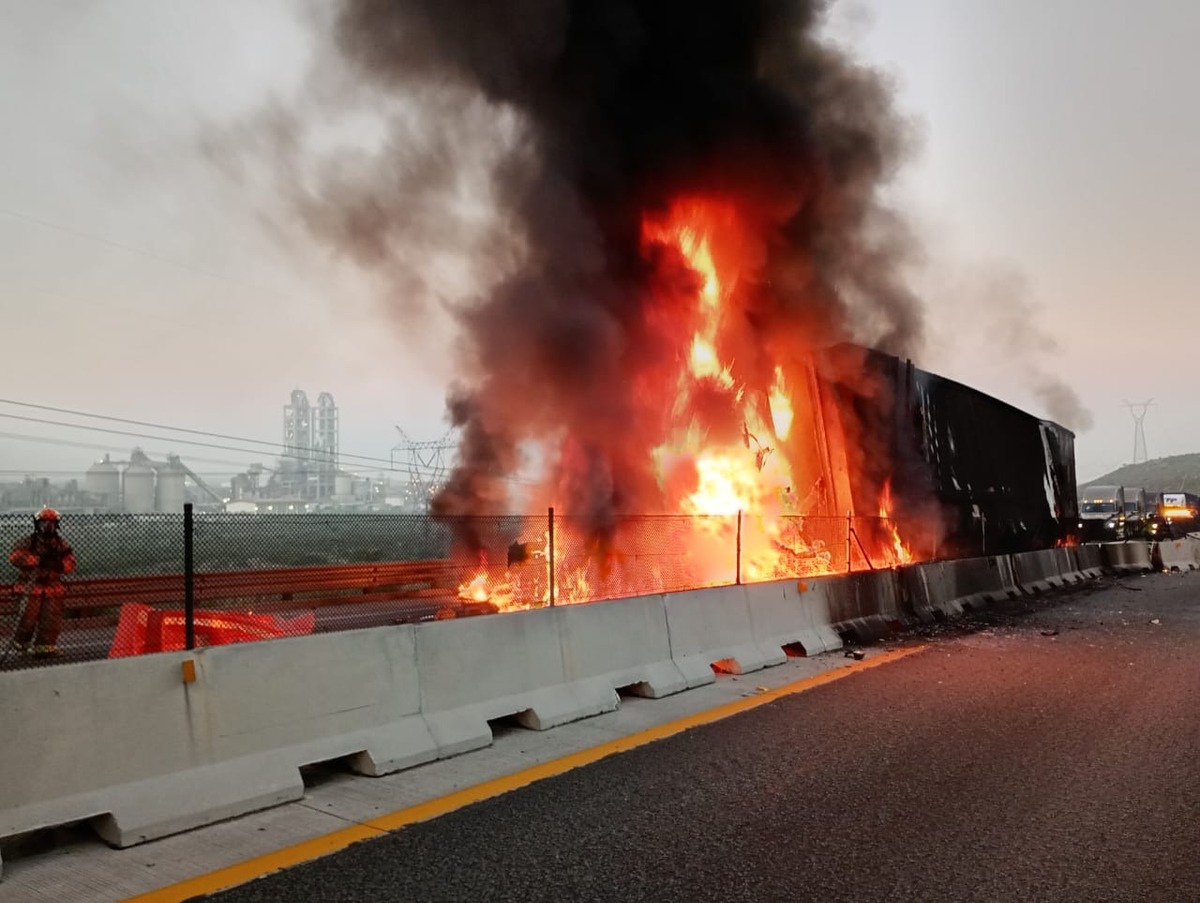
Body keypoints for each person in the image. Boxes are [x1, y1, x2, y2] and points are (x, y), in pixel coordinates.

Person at [9, 506, 76, 657]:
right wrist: (37, 560)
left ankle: (44, 649)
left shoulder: (61, 544)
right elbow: (15, 557)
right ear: (37, 524)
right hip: (31, 587)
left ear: (56, 525)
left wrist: (58, 564)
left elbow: (70, 562)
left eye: (51, 524)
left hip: (52, 588)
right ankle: (21, 647)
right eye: (44, 523)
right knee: (27, 620)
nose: (47, 527)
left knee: (51, 621)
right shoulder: (29, 542)